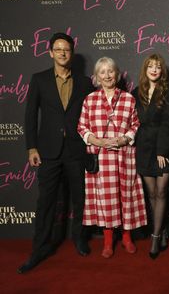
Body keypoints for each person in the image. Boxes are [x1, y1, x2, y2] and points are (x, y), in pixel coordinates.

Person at [19, 33, 95, 274]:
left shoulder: (84, 82)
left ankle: (80, 240)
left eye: (67, 50)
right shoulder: (39, 79)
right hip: (49, 152)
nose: (63, 53)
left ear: (71, 54)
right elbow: (30, 115)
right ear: (51, 53)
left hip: (76, 151)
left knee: (80, 199)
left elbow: (92, 116)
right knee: (46, 202)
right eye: (58, 49)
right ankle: (40, 248)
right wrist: (31, 147)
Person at [77, 57, 147, 259]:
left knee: (125, 195)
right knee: (106, 199)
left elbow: (135, 124)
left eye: (111, 72)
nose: (107, 76)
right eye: (102, 72)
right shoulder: (90, 100)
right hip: (100, 156)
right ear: (97, 77)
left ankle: (126, 237)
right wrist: (97, 141)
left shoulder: (128, 98)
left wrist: (126, 139)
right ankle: (108, 240)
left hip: (124, 156)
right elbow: (81, 127)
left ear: (117, 75)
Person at [132, 53, 169, 259]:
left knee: (161, 192)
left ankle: (155, 236)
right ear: (145, 69)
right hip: (143, 147)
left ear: (162, 71)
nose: (154, 69)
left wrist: (162, 151)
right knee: (151, 194)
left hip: (165, 148)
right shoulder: (136, 92)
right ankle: (160, 230)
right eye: (150, 66)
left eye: (158, 67)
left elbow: (167, 123)